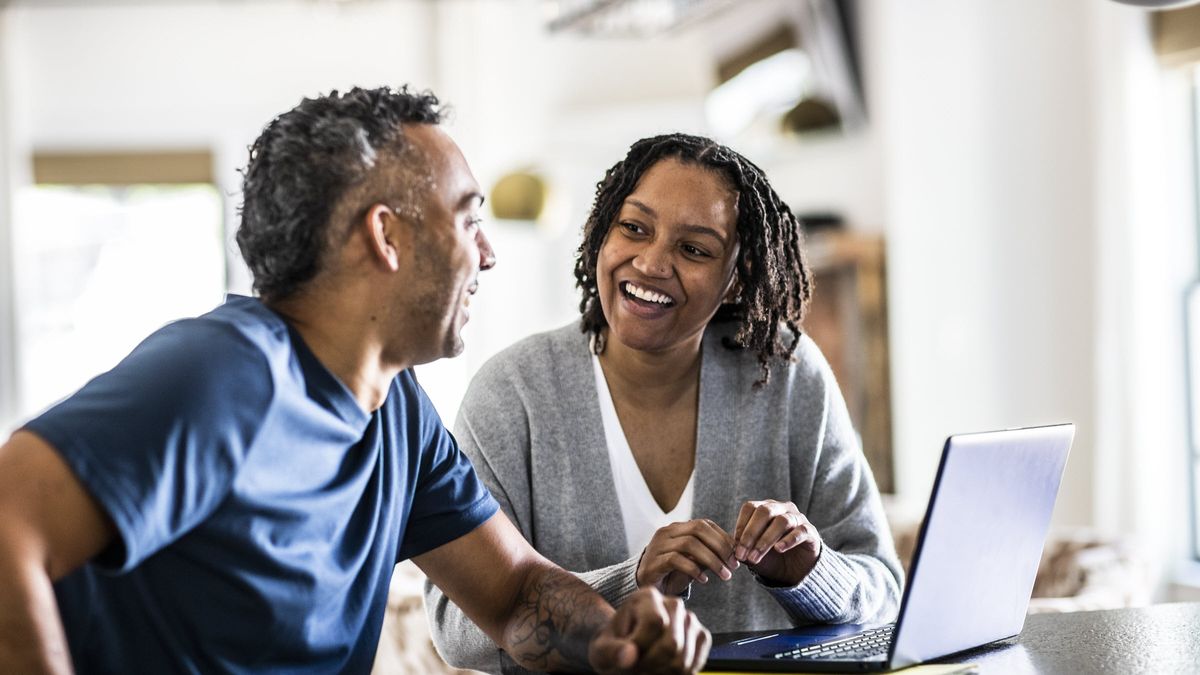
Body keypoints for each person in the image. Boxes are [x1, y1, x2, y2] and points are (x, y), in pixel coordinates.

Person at [0, 88, 711, 674]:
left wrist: (615, 637)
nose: (487, 255)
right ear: (386, 235)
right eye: (468, 220)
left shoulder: (395, 408)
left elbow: (517, 591)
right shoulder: (230, 371)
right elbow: (8, 521)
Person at [425, 133, 903, 672]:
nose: (651, 263)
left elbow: (885, 591)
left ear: (736, 278)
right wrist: (633, 582)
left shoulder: (788, 373)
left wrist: (811, 573)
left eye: (694, 249)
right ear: (600, 235)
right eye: (634, 228)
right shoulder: (514, 392)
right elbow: (455, 626)